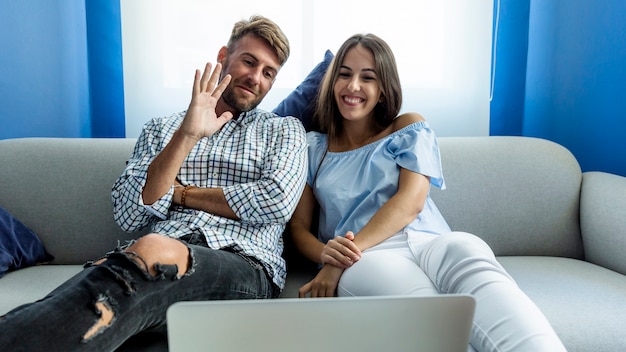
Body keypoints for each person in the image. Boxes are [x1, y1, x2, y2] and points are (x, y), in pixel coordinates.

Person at [0, 15, 307, 351]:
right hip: (149, 261)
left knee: (150, 253)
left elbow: (275, 201)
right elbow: (129, 214)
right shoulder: (162, 129)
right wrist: (186, 135)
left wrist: (182, 194)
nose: (256, 77)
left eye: (268, 72)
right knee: (101, 305)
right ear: (223, 56)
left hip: (244, 264)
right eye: (249, 61)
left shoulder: (284, 130)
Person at [288, 33, 566, 352]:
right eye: (344, 74)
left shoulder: (408, 127)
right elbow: (298, 229)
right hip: (369, 258)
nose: (353, 86)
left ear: (382, 90)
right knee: (436, 328)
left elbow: (410, 203)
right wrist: (328, 256)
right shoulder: (312, 148)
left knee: (474, 260)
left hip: (432, 240)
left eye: (368, 77)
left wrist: (340, 261)